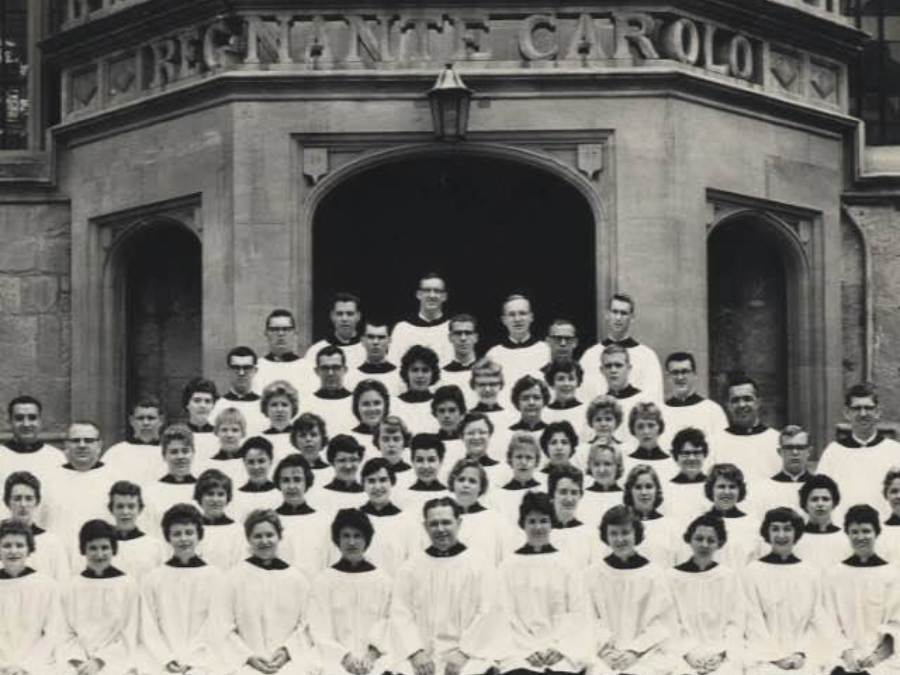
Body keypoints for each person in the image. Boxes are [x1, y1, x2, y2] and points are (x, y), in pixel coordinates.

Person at [390, 496, 498, 675]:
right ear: (425, 527)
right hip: (421, 657)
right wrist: (416, 652)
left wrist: (464, 653)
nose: (440, 529)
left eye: (446, 522)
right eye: (434, 524)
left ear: (459, 523)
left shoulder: (480, 565)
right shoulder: (411, 568)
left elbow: (488, 612)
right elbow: (400, 614)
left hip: (468, 655)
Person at [497, 492, 591, 675]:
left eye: (543, 520)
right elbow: (505, 612)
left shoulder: (567, 564)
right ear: (523, 524)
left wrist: (558, 648)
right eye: (532, 521)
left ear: (552, 523)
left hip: (562, 652)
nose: (538, 527)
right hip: (519, 652)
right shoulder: (507, 566)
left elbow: (578, 612)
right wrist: (528, 649)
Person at [139, 503, 227, 675]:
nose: (183, 539)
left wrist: (194, 661)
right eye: (177, 534)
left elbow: (216, 622)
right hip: (162, 662)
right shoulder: (153, 578)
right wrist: (166, 659)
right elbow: (147, 624)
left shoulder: (215, 577)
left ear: (199, 534)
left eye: (189, 532)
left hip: (205, 661)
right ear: (168, 537)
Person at [223, 509, 314, 675]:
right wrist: (248, 656)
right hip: (245, 665)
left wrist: (287, 652)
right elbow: (223, 625)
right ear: (248, 538)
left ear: (279, 537)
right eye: (257, 536)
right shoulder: (234, 578)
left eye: (270, 535)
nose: (264, 541)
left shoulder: (297, 579)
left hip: (289, 665)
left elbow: (307, 624)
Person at [586, 505, 673, 675]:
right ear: (605, 536)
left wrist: (634, 651)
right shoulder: (593, 574)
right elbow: (588, 617)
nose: (620, 539)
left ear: (636, 534)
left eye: (625, 532)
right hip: (604, 653)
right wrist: (605, 651)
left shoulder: (653, 574)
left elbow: (662, 621)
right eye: (613, 533)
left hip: (645, 654)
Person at [742, 507, 827, 675]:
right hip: (763, 659)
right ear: (767, 533)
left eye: (787, 529)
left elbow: (816, 620)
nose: (781, 535)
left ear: (796, 533)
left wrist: (801, 653)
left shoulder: (811, 573)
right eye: (775, 529)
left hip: (802, 660)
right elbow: (752, 620)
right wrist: (775, 657)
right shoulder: (752, 572)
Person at [308, 509, 393, 675]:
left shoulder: (383, 581)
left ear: (366, 540)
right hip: (335, 661)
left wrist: (371, 655)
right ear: (337, 540)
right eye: (346, 536)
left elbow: (389, 622)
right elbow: (319, 627)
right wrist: (345, 657)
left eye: (357, 536)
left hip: (375, 661)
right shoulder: (324, 581)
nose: (351, 542)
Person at [822, 504, 900, 675]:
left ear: (876, 533)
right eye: (854, 532)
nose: (860, 537)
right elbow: (828, 621)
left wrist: (877, 657)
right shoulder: (835, 575)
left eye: (866, 531)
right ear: (848, 534)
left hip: (881, 660)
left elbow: (896, 624)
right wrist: (846, 652)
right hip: (842, 657)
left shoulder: (892, 575)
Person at [59, 519, 140, 675]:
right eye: (93, 548)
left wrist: (99, 661)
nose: (99, 554)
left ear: (113, 549)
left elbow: (130, 631)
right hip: (78, 664)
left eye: (105, 548)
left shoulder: (127, 585)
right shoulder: (73, 586)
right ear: (83, 550)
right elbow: (65, 631)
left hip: (117, 662)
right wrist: (80, 662)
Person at [666, 514, 743, 675]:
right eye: (699, 538)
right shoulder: (672, 577)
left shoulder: (728, 577)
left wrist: (721, 653)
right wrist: (688, 653)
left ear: (719, 543)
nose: (704, 544)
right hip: (682, 655)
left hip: (721, 655)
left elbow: (735, 622)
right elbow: (670, 622)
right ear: (689, 540)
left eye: (711, 540)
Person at [817, 383, 900, 520]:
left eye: (868, 408)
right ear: (847, 413)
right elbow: (819, 494)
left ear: (878, 412)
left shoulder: (895, 451)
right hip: (844, 532)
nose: (863, 414)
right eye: (856, 408)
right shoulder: (833, 452)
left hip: (887, 530)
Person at [45, 421, 123, 554]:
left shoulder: (115, 480)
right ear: (66, 445)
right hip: (60, 556)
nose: (82, 445)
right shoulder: (48, 480)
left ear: (99, 445)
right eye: (76, 441)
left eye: (88, 440)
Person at [0, 518, 65, 675]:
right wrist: (5, 666)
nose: (13, 551)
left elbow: (53, 632)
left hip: (37, 667)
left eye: (20, 545)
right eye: (7, 545)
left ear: (29, 549)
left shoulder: (47, 586)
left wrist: (26, 667)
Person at [580, 293, 664, 403]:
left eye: (623, 313)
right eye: (614, 312)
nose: (618, 318)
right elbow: (583, 396)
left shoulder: (647, 356)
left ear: (632, 317)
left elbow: (654, 396)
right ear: (607, 314)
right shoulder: (590, 355)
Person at [0, 395, 63, 522]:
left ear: (40, 421)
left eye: (32, 418)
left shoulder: (56, 458)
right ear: (9, 421)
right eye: (19, 418)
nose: (26, 423)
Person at [709, 375, 780, 487]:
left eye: (747, 399)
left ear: (758, 402)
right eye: (735, 400)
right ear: (728, 405)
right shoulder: (715, 442)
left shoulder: (776, 440)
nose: (741, 405)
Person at [272, 454, 331, 580]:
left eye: (297, 479)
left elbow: (330, 562)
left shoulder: (323, 521)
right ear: (278, 483)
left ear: (307, 482)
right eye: (286, 480)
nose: (292, 486)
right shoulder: (270, 521)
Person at [4, 471, 69, 581]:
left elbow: (63, 586)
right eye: (17, 498)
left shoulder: (52, 543)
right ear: (7, 501)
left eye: (29, 498)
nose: (23, 504)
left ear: (37, 502)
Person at [448, 457, 511, 566]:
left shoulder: (495, 521)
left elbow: (504, 562)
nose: (466, 485)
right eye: (461, 479)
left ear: (481, 487)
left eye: (472, 481)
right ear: (453, 483)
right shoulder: (445, 520)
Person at [358, 458, 415, 576]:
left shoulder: (406, 520)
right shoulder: (356, 519)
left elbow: (412, 562)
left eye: (383, 480)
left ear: (392, 482)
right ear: (363, 484)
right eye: (371, 481)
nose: (377, 486)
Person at [486, 295, 551, 397]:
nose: (517, 319)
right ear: (504, 320)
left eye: (522, 313)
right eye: (512, 314)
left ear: (531, 317)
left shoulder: (546, 350)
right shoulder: (493, 354)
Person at [660, 352, 728, 449]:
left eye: (685, 372)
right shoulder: (661, 412)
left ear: (694, 374)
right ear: (668, 377)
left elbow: (723, 446)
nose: (680, 377)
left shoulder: (712, 410)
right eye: (675, 372)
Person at [703, 463, 763, 569]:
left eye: (732, 487)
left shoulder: (754, 525)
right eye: (721, 486)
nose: (727, 492)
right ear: (711, 489)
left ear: (740, 490)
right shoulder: (700, 523)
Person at [143, 424, 201, 531]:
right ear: (164, 455)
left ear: (193, 453)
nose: (180, 457)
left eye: (185, 451)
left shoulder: (203, 491)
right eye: (174, 452)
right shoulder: (150, 492)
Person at [107, 481, 168, 581]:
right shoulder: (103, 547)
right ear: (111, 509)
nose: (125, 512)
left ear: (140, 509)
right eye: (120, 506)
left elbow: (162, 583)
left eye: (131, 506)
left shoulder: (154, 546)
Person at [389, 273, 453, 365]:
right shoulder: (402, 329)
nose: (432, 295)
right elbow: (393, 365)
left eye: (437, 291)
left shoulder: (453, 328)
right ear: (418, 294)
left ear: (444, 296)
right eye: (427, 290)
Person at [751, 424, 814, 518]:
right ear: (780, 452)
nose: (795, 452)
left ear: (809, 451)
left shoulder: (819, 488)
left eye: (800, 447)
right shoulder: (764, 489)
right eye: (789, 448)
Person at [623, 464, 680, 566]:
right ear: (630, 491)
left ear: (656, 490)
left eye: (649, 486)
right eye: (638, 487)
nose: (644, 492)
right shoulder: (622, 525)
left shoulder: (671, 527)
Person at [102, 395, 165, 485]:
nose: (145, 423)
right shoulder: (115, 453)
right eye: (140, 418)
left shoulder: (170, 452)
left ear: (161, 420)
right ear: (131, 420)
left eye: (151, 418)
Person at [548, 465, 601, 568]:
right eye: (563, 492)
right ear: (551, 495)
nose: (569, 499)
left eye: (574, 492)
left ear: (580, 495)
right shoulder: (541, 533)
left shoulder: (591, 535)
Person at [194, 468, 244, 570]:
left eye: (220, 494)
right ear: (200, 496)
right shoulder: (192, 529)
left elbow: (240, 565)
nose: (215, 500)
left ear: (227, 498)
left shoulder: (237, 530)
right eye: (210, 494)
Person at [210, 346, 267, 436]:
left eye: (246, 367)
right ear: (228, 370)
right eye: (236, 368)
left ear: (255, 370)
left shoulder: (265, 406)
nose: (241, 373)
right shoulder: (218, 406)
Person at [793, 474, 846, 571]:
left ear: (834, 503)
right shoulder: (796, 538)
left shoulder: (844, 538)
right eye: (814, 499)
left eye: (825, 499)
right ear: (805, 504)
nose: (820, 504)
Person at [600, 344, 652, 441]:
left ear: (629, 368)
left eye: (618, 365)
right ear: (602, 370)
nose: (613, 370)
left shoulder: (644, 401)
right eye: (608, 366)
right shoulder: (599, 405)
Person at [488, 433, 545, 521]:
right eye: (519, 457)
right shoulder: (497, 496)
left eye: (529, 457)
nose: (523, 462)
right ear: (510, 459)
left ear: (536, 461)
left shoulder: (544, 490)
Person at [304, 292, 366, 369]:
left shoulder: (367, 350)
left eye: (350, 314)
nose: (344, 319)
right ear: (332, 316)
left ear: (358, 316)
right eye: (340, 314)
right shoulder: (315, 350)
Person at [306, 346, 355, 437]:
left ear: (344, 370)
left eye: (336, 367)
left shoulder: (355, 401)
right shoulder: (308, 403)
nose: (330, 373)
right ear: (317, 371)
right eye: (325, 368)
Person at [254, 309, 306, 396]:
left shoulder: (307, 368)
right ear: (266, 333)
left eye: (286, 329)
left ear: (294, 333)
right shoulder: (256, 369)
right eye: (275, 329)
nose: (281, 333)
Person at [665, 427, 710, 526]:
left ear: (705, 454)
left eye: (697, 453)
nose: (691, 458)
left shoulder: (713, 487)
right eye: (686, 453)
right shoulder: (667, 489)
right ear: (676, 456)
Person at [622, 402, 675, 483]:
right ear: (633, 430)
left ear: (660, 427)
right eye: (640, 426)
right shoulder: (627, 460)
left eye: (651, 425)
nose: (646, 432)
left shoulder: (671, 460)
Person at [347, 318, 402, 396]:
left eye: (381, 337)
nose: (375, 342)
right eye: (371, 337)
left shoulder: (400, 377)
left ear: (389, 341)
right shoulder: (352, 377)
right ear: (363, 341)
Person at [394, 345, 442, 434]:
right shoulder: (395, 403)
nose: (420, 375)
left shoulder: (439, 404)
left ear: (433, 374)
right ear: (406, 373)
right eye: (415, 370)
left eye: (425, 370)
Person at [397, 434, 449, 515]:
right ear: (412, 461)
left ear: (441, 461)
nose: (425, 466)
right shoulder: (404, 494)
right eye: (420, 460)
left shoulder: (449, 493)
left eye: (431, 460)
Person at [232, 436, 282, 520]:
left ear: (271, 461)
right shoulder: (237, 495)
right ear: (244, 463)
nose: (256, 467)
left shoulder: (280, 492)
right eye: (251, 462)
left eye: (261, 461)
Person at [319, 435, 367, 514]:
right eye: (342, 460)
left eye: (353, 460)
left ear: (359, 460)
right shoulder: (323, 494)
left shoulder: (366, 493)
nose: (348, 466)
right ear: (332, 462)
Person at [468, 358, 517, 432]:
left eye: (493, 384)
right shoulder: (467, 417)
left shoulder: (511, 416)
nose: (487, 389)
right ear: (473, 386)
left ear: (501, 385)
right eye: (482, 384)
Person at [442, 314, 480, 406]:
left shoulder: (486, 372)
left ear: (476, 337)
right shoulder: (442, 375)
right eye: (458, 333)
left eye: (468, 333)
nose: (463, 338)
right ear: (450, 338)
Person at [543, 359, 586, 437]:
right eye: (561, 379)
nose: (566, 384)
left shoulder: (586, 411)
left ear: (578, 382)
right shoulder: (544, 412)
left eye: (571, 379)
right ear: (552, 383)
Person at [207, 407, 250, 487]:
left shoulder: (250, 462)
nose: (229, 435)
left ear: (243, 433)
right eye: (224, 430)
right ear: (217, 432)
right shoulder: (211, 463)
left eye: (235, 430)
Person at [581, 444, 624, 523]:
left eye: (607, 464)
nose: (601, 470)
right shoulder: (582, 496)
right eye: (596, 464)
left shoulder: (626, 496)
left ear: (617, 466)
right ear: (590, 466)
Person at [259, 380, 300, 465]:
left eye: (284, 405)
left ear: (293, 408)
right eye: (274, 405)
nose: (279, 409)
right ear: (266, 408)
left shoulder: (300, 437)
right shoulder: (260, 438)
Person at [372, 416, 414, 489]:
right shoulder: (372, 471)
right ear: (377, 442)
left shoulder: (411, 471)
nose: (391, 444)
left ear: (404, 442)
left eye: (396, 439)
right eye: (385, 439)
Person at [349, 379, 391, 453]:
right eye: (366, 404)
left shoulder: (394, 437)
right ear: (356, 407)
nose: (372, 409)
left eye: (377, 403)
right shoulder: (350, 437)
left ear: (386, 405)